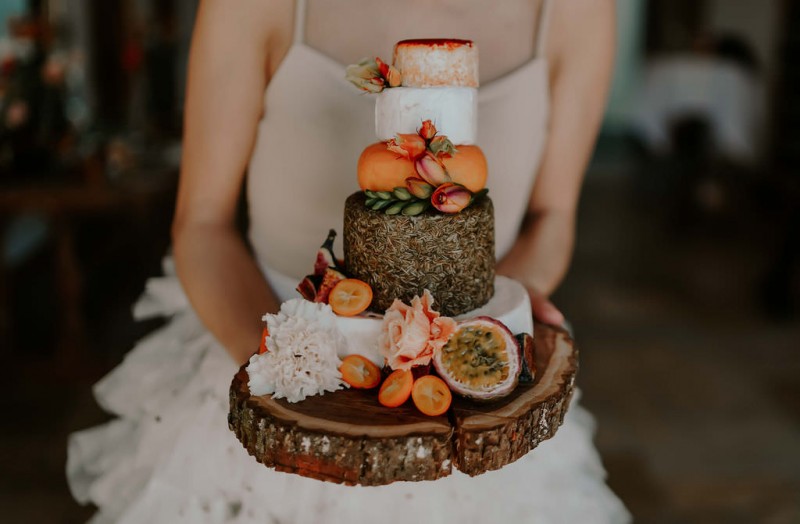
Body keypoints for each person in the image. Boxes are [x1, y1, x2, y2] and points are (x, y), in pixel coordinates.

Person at [68, 0, 630, 522]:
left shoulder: (578, 12)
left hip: (460, 403)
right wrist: (296, 381)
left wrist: (495, 318)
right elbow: (202, 225)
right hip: (264, 340)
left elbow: (553, 217)